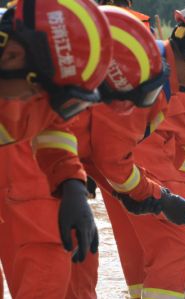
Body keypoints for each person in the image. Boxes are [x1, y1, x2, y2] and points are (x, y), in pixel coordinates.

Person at [71, 3, 185, 298]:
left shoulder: (142, 57)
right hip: (32, 152)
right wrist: (159, 198)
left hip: (48, 153)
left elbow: (98, 150)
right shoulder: (150, 83)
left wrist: (141, 195)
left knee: (76, 266)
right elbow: (112, 160)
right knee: (179, 242)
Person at [0, 0, 113, 297]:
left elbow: (49, 123)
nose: (39, 102)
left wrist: (71, 183)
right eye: (40, 92)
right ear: (12, 56)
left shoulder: (22, 72)